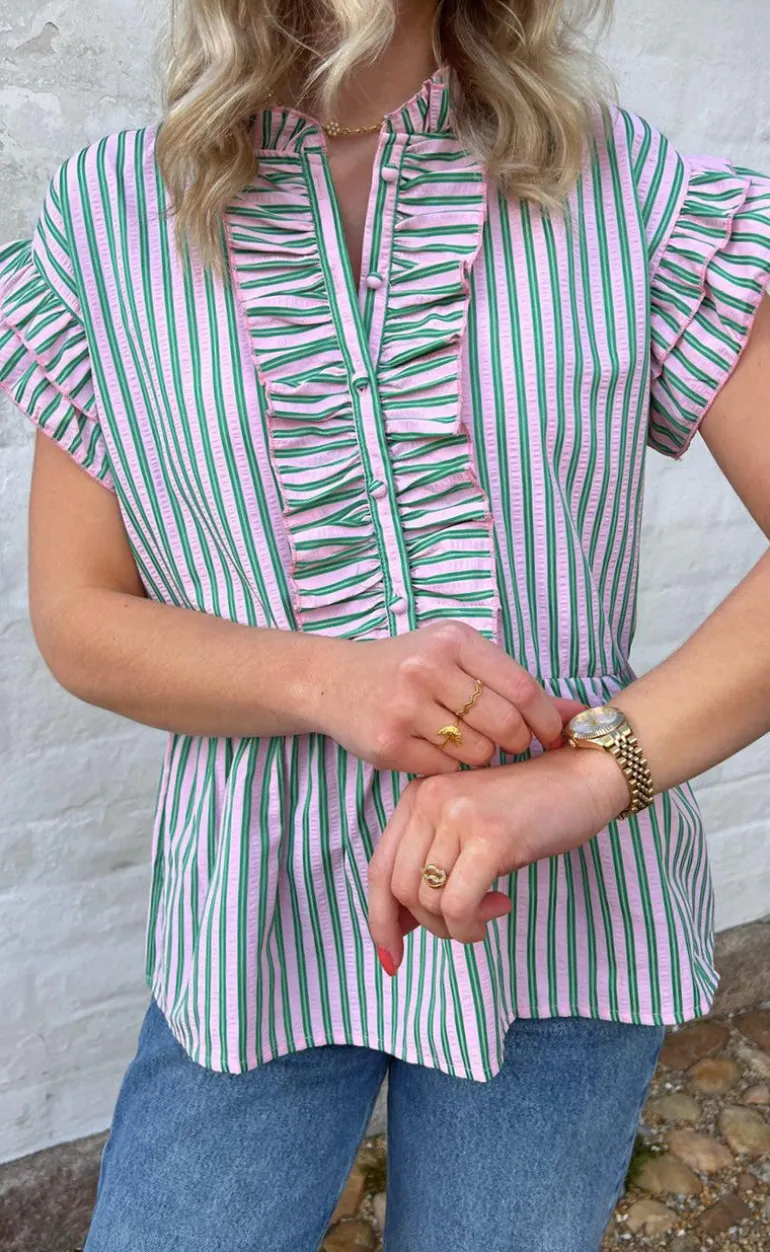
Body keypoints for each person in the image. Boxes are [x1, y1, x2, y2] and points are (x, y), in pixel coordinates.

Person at [2, 0, 770, 1248]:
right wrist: (328, 681)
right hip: (249, 932)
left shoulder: (620, 187)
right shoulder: (109, 221)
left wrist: (583, 777)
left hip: (556, 925)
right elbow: (77, 612)